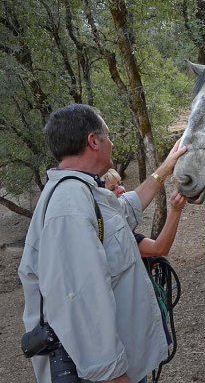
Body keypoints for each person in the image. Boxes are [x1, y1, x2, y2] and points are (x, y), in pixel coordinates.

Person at [18, 104, 187, 383]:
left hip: (122, 363)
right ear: (93, 141)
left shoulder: (84, 191)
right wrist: (111, 375)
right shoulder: (69, 206)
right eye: (107, 136)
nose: (112, 142)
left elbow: (127, 209)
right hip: (105, 374)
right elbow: (78, 298)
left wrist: (165, 169)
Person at [102, 168, 187, 258]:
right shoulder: (113, 235)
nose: (121, 189)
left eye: (119, 184)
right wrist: (175, 210)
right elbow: (159, 249)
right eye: (112, 189)